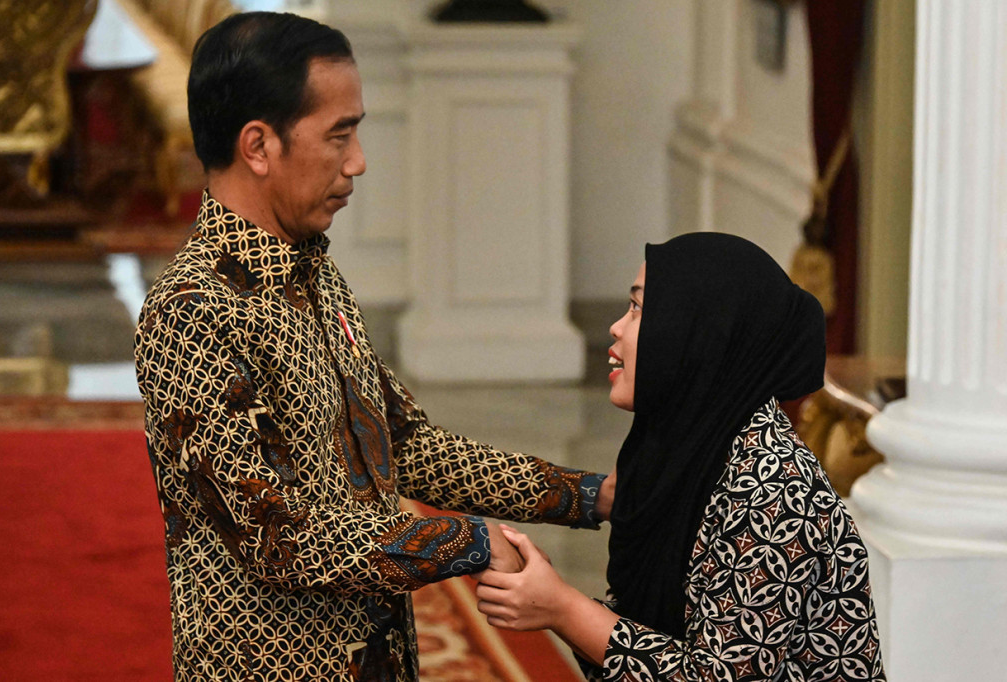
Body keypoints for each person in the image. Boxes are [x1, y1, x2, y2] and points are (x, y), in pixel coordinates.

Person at [134, 12, 611, 681]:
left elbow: (403, 444)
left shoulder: (314, 272)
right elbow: (278, 538)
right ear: (258, 146)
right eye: (339, 134)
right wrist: (468, 542)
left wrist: (592, 496)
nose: (358, 161)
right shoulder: (193, 313)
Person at [476, 233, 886, 681]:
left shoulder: (774, 491)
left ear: (700, 334)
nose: (616, 327)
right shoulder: (685, 447)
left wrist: (562, 609)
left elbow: (715, 677)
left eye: (639, 308)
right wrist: (544, 593)